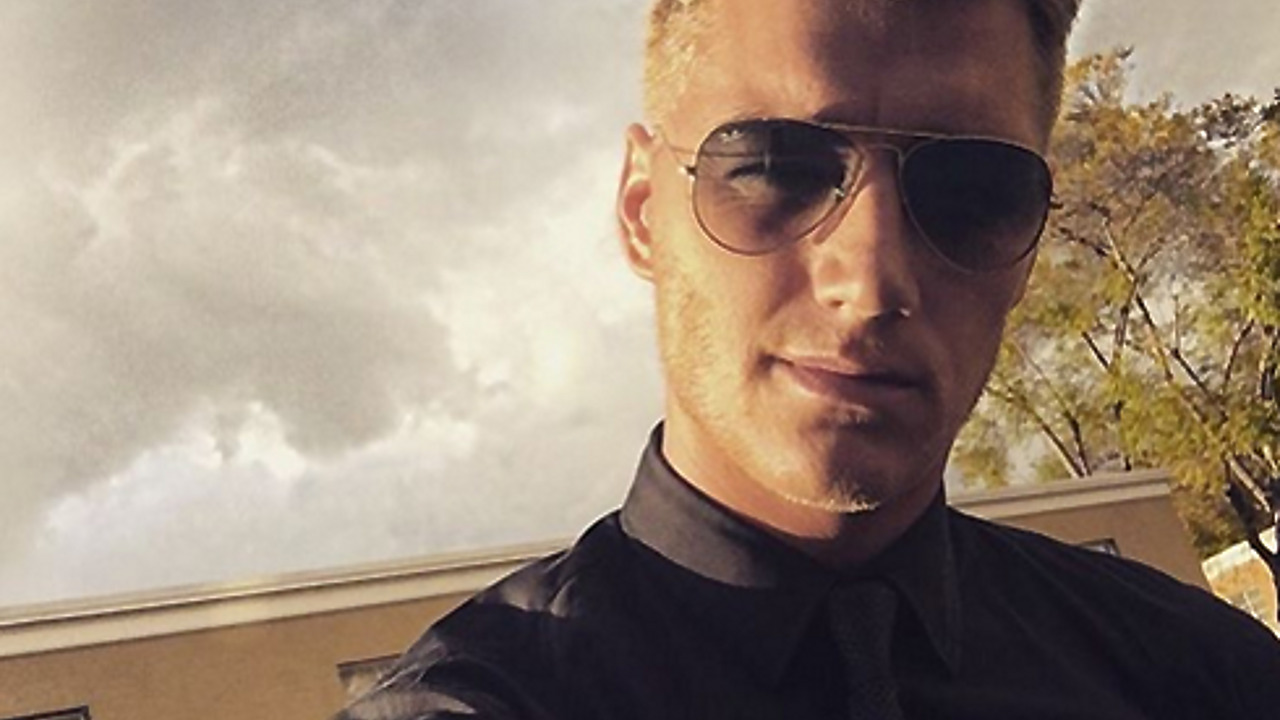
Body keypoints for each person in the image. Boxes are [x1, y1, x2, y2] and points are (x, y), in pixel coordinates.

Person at [337, 0, 1280, 717]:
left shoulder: (1204, 676)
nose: (869, 281)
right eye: (772, 166)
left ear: (1029, 245)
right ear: (641, 212)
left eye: (972, 189)